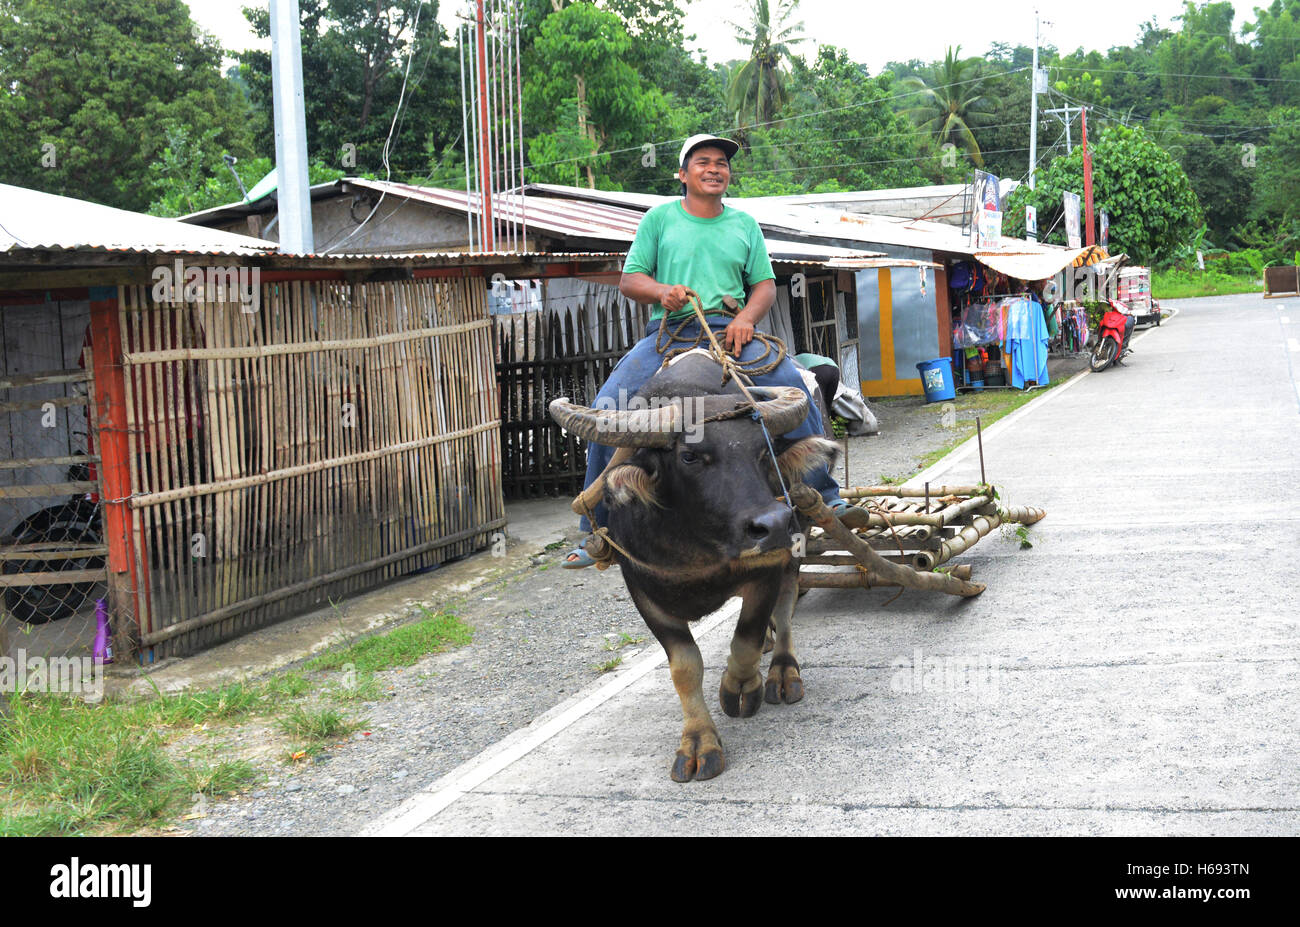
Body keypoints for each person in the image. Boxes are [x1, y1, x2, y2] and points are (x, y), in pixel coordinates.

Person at [564, 134, 845, 567]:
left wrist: (746, 318)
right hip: (669, 332)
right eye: (703, 162)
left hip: (730, 330)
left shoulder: (743, 224)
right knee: (609, 406)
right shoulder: (658, 219)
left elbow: (765, 286)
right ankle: (598, 530)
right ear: (683, 174)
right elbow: (631, 280)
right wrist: (664, 291)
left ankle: (825, 497)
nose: (714, 169)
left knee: (796, 389)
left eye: (721, 163)